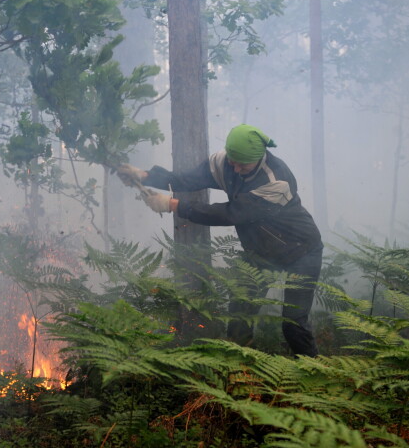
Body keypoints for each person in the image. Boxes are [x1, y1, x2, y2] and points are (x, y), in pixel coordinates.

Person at [117, 124, 323, 357]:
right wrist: (146, 175)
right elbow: (185, 180)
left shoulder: (276, 182)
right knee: (239, 315)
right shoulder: (224, 162)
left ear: (258, 158)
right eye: (232, 161)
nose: (234, 169)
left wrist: (173, 205)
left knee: (293, 323)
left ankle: (312, 372)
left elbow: (231, 213)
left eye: (242, 164)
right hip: (260, 253)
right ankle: (241, 370)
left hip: (301, 250)